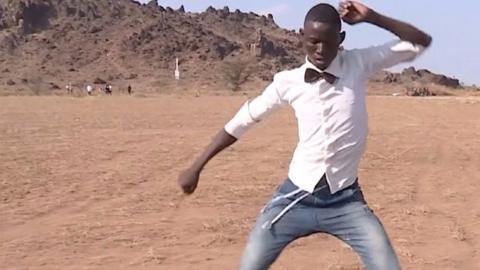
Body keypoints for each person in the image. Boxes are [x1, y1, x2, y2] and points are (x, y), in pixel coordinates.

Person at [178, 2, 432, 269]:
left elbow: (420, 41)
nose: (321, 50)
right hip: (294, 198)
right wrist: (196, 167)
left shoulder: (359, 63)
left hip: (346, 201)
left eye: (329, 42)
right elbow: (243, 121)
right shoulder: (287, 82)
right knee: (250, 263)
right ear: (301, 37)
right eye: (313, 42)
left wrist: (372, 17)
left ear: (341, 39)